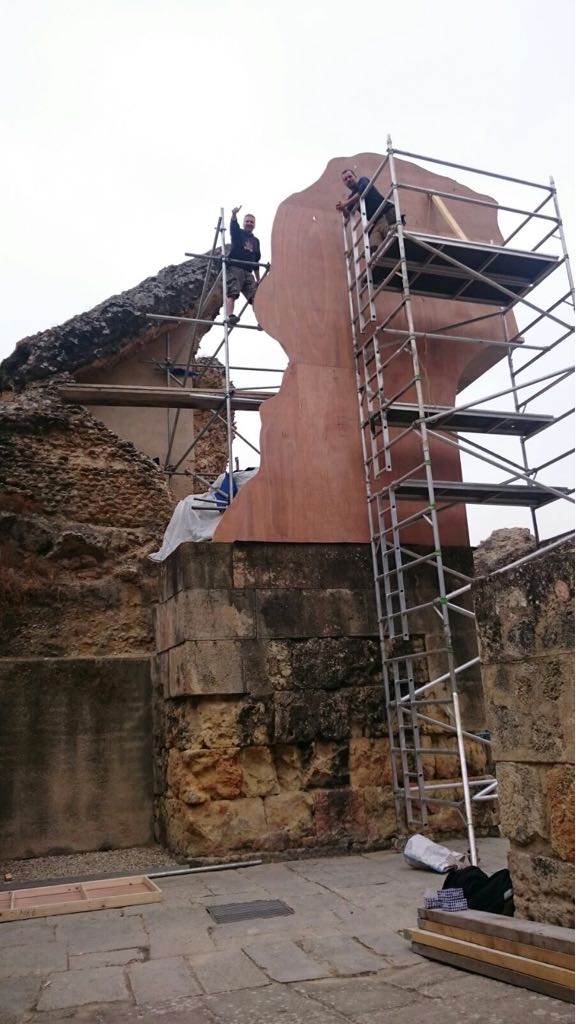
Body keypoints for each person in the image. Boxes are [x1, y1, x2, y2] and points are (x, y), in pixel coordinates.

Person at [336, 169, 405, 252]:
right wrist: (343, 209)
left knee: (393, 240)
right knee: (374, 248)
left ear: (355, 176)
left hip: (386, 214)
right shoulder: (351, 198)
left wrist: (345, 204)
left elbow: (361, 192)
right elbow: (348, 215)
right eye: (345, 179)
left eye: (350, 176)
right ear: (344, 183)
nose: (348, 179)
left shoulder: (363, 180)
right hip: (376, 222)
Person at [225, 206, 261, 325]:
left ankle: (261, 320)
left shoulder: (256, 241)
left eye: (251, 222)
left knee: (255, 296)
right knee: (233, 292)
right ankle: (230, 316)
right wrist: (234, 215)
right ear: (243, 223)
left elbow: (256, 261)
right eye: (247, 221)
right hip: (235, 267)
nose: (249, 223)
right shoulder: (239, 234)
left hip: (248, 271)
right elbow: (233, 228)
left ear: (254, 224)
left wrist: (258, 279)